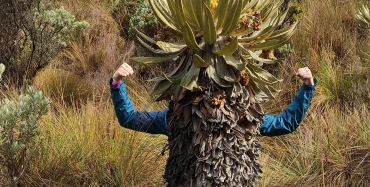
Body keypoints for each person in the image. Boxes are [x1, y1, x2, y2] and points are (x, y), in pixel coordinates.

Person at [109, 63, 317, 137]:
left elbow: (285, 124)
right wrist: (117, 83)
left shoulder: (242, 120)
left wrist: (307, 88)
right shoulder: (178, 118)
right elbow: (129, 119)